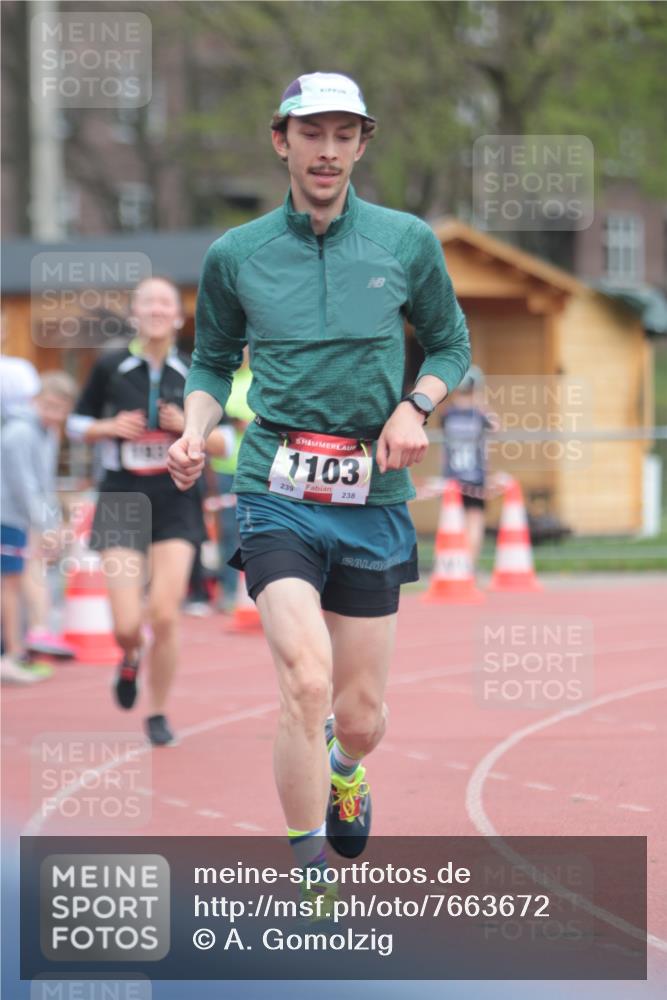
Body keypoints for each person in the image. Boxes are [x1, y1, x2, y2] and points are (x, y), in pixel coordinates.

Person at [167, 72, 470, 884]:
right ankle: (310, 871)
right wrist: (195, 428)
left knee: (359, 717)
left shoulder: (406, 241)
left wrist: (414, 407)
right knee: (305, 681)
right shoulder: (236, 254)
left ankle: (346, 767)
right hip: (275, 489)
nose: (327, 150)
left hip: (371, 495)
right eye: (311, 133)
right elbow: (211, 361)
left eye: (343, 134)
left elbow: (449, 344)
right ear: (282, 141)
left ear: (362, 144)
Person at [67, 276, 232, 746]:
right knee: (125, 625)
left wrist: (190, 429)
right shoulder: (111, 365)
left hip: (177, 499)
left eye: (165, 303)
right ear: (134, 314)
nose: (157, 310)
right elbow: (75, 423)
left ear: (178, 317)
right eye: (148, 303)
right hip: (122, 498)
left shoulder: (196, 370)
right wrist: (108, 427)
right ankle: (129, 656)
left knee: (164, 615)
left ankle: (157, 711)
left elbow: (228, 440)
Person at [1, 371, 77, 684]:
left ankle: (25, 644)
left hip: (19, 517)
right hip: (7, 516)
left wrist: (53, 523)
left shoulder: (49, 432)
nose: (53, 414)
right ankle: (12, 654)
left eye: (60, 409)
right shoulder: (19, 432)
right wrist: (45, 525)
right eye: (48, 406)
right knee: (10, 584)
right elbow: (24, 485)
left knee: (20, 580)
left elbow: (44, 483)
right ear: (35, 400)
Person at [208, 349, 253, 612]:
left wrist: (250, 423)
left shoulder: (261, 378)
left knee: (257, 530)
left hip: (258, 468)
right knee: (227, 532)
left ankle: (254, 592)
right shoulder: (220, 379)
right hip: (224, 469)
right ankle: (227, 591)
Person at [440, 365, 498, 569]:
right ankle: (469, 567)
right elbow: (496, 426)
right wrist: (481, 402)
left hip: (452, 476)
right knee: (474, 522)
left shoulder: (448, 414)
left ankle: (455, 567)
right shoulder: (479, 414)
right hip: (475, 476)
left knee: (456, 523)